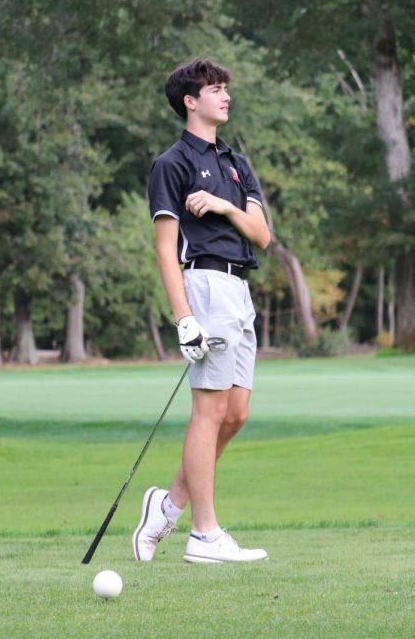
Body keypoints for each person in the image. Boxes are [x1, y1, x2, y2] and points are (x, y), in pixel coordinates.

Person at [133, 58, 272, 564]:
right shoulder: (172, 164)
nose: (226, 96)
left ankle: (167, 506)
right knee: (209, 411)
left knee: (236, 414)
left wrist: (224, 206)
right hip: (206, 286)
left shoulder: (237, 162)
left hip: (239, 290)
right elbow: (165, 249)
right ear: (190, 101)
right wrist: (183, 316)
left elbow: (262, 234)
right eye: (216, 89)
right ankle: (204, 535)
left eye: (226, 88)